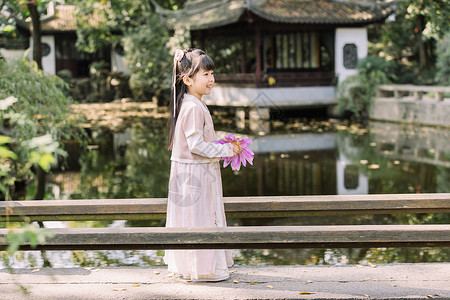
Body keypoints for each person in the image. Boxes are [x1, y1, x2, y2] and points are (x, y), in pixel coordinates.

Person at [164, 48, 239, 282]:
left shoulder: (192, 104)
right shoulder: (193, 107)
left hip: (191, 172)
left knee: (195, 218)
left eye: (212, 73)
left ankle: (193, 266)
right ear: (187, 80)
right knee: (200, 218)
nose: (211, 79)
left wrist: (223, 140)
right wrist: (226, 150)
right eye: (205, 74)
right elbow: (196, 145)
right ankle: (202, 268)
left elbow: (199, 139)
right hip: (194, 175)